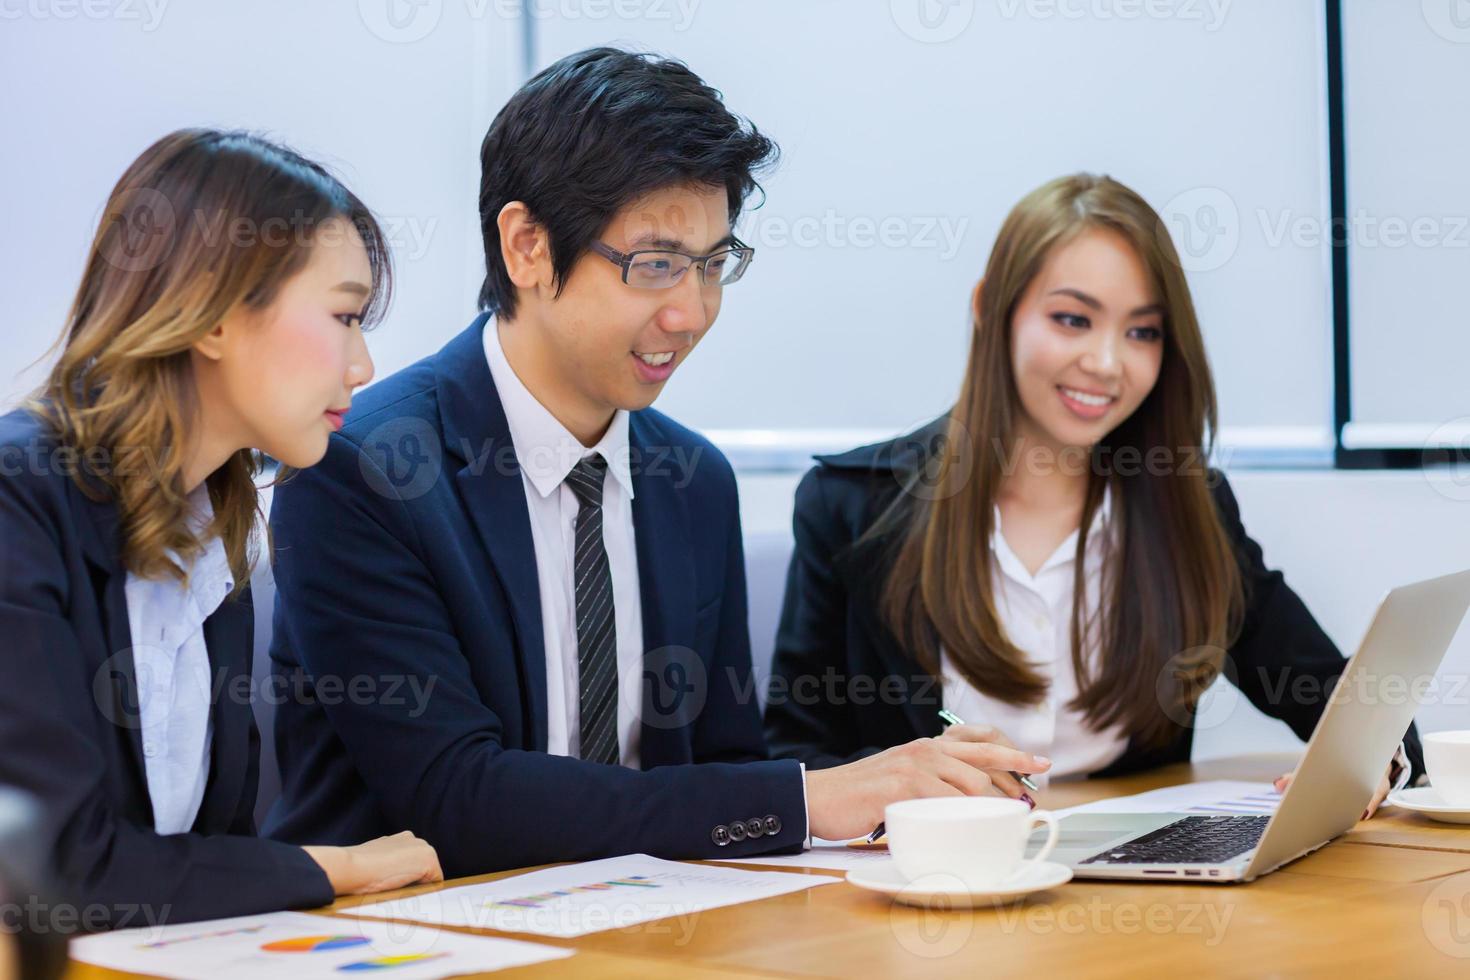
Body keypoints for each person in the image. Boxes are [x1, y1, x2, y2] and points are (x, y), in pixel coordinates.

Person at [263, 48, 1048, 875]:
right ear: (527, 246)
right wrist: (813, 796)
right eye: (657, 265)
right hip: (410, 935)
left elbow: (724, 772)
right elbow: (456, 799)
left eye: (714, 266)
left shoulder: (693, 481)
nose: (693, 312)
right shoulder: (364, 468)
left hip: (652, 924)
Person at [764, 173, 1419, 818]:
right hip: (922, 886)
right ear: (990, 307)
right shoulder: (853, 507)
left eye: (1142, 332)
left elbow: (1346, 701)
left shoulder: (1189, 509)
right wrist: (897, 787)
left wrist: (1369, 764)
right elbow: (794, 758)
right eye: (1073, 319)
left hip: (1132, 897)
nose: (1107, 363)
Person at [0, 129, 442, 929]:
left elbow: (207, 857)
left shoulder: (218, 528)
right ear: (212, 316)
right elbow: (53, 870)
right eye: (344, 316)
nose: (364, 365)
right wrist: (329, 868)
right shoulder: (16, 500)